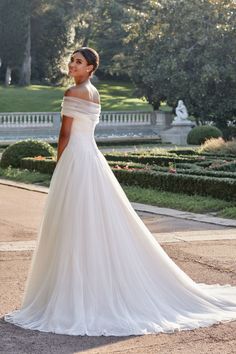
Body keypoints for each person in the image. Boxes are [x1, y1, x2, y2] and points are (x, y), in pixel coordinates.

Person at [4, 47, 236, 336]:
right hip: (92, 157)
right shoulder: (94, 93)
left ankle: (74, 294)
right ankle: (90, 288)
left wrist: (58, 165)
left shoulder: (72, 94)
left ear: (90, 68)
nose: (72, 65)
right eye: (72, 60)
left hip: (76, 158)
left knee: (74, 223)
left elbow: (64, 134)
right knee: (96, 221)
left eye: (78, 62)